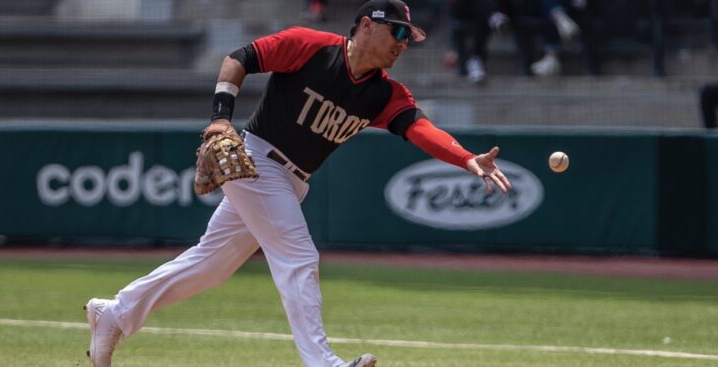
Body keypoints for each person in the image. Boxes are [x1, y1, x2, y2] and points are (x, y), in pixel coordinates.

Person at [84, 1, 512, 367]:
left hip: (290, 180)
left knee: (209, 267)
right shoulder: (311, 47)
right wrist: (220, 117)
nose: (403, 41)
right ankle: (321, 361)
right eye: (397, 30)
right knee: (299, 255)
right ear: (366, 25)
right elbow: (240, 57)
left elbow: (420, 129)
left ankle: (114, 314)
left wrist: (466, 158)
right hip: (255, 162)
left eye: (409, 36)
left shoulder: (384, 95)